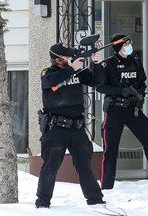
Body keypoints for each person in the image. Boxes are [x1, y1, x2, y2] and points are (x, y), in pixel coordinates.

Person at [94, 33, 148, 190]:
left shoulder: (135, 62)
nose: (128, 47)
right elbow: (100, 86)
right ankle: (106, 186)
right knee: (111, 148)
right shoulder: (108, 65)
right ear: (118, 47)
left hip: (134, 110)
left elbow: (143, 82)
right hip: (115, 110)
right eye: (125, 44)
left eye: (129, 44)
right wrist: (121, 91)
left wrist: (140, 94)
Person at [35, 43, 105, 208]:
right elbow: (50, 83)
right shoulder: (48, 73)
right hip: (56, 128)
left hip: (77, 128)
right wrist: (71, 68)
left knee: (84, 165)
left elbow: (97, 82)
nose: (71, 58)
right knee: (51, 167)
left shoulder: (77, 71)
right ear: (58, 59)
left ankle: (95, 200)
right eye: (67, 56)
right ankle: (43, 202)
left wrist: (96, 64)